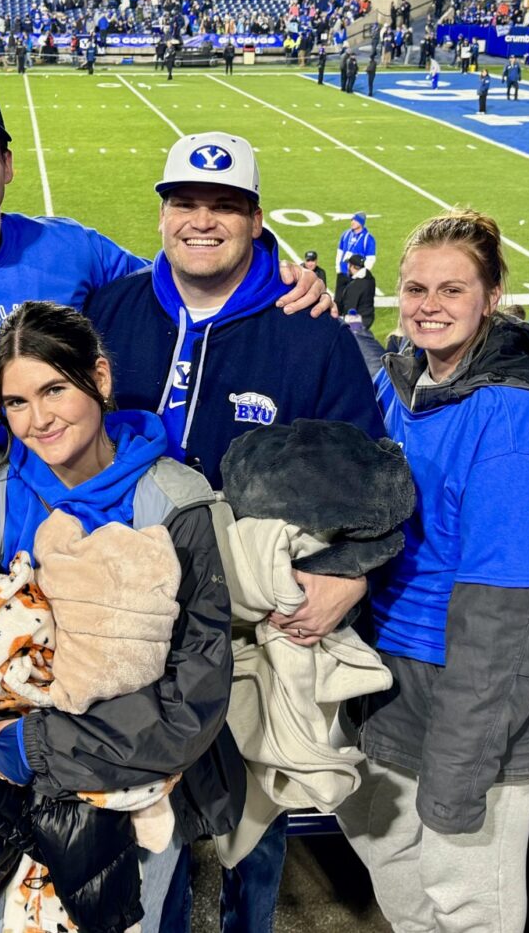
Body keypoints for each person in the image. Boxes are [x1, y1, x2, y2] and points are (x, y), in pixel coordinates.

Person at [83, 133, 387, 933]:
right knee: (153, 815)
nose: (202, 220)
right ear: (162, 214)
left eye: (225, 205)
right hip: (136, 612)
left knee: (259, 814)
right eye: (186, 202)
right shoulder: (110, 311)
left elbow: (364, 468)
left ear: (257, 219)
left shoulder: (309, 328)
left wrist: (351, 568)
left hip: (259, 621)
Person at [0, 300, 240, 931]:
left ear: (101, 377)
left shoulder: (174, 499)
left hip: (133, 781)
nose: (37, 420)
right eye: (15, 402)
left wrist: (34, 746)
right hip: (1, 788)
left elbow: (195, 690)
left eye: (55, 389)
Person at [0, 81, 327, 446]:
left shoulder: (74, 250)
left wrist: (267, 271)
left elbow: (183, 287)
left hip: (72, 497)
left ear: (6, 165)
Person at [339, 209, 529, 933]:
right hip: (393, 675)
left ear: (493, 295)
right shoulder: (404, 382)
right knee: (398, 869)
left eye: (452, 289)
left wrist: (460, 763)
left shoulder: (517, 424)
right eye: (416, 288)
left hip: (473, 688)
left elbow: (508, 623)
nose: (428, 305)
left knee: (469, 896)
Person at [336, 212, 377, 298]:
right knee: (338, 301)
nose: (352, 222)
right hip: (343, 273)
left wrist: (361, 275)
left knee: (352, 300)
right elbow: (339, 253)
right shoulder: (346, 234)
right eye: (352, 220)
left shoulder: (368, 239)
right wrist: (338, 269)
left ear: (361, 223)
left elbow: (370, 260)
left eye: (355, 220)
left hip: (356, 275)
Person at [337, 254, 376, 328]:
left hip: (357, 322)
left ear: (352, 266)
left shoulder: (355, 285)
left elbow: (350, 307)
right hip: (368, 318)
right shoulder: (370, 279)